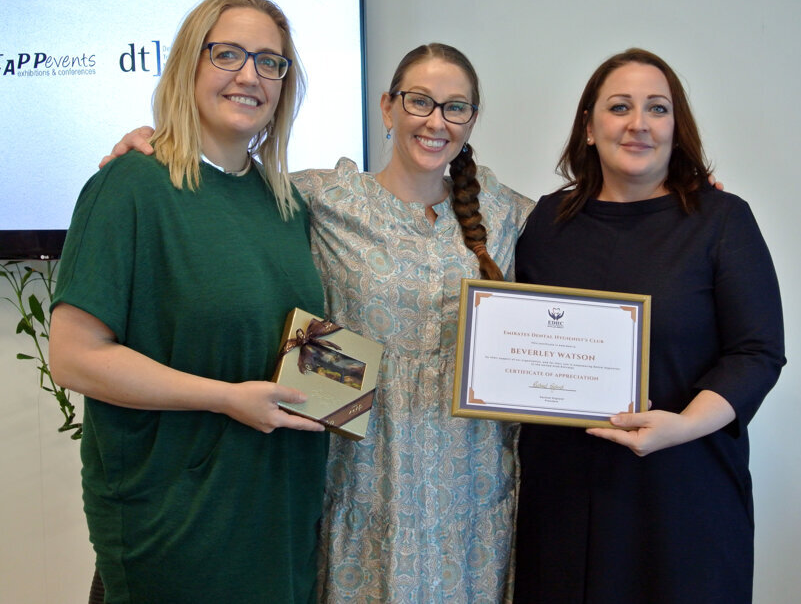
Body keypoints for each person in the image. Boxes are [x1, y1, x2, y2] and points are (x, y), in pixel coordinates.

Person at [99, 43, 534, 602]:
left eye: (455, 108)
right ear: (387, 107)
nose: (435, 121)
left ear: (471, 120)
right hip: (359, 485)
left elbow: (599, 221)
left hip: (471, 495)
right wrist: (151, 142)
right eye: (419, 101)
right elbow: (220, 186)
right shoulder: (320, 198)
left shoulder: (508, 215)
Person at [48, 0, 329, 602]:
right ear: (187, 65)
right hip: (177, 525)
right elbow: (74, 358)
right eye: (228, 54)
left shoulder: (282, 203)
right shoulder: (129, 187)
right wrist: (226, 399)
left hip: (274, 519)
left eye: (270, 63)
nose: (250, 76)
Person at [512, 48, 785, 603]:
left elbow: (757, 352)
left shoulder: (722, 219)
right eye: (619, 107)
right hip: (564, 497)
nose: (638, 124)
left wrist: (681, 426)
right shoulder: (545, 222)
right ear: (588, 127)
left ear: (676, 127)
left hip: (684, 492)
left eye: (657, 109)